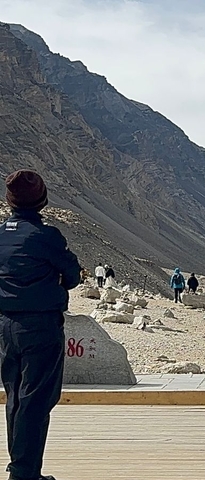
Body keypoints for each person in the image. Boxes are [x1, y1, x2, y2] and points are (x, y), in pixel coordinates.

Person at [0, 169, 81, 480]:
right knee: (37, 399)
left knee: (16, 397)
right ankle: (23, 473)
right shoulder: (46, 237)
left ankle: (21, 468)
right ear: (42, 201)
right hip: (41, 326)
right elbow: (73, 275)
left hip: (6, 324)